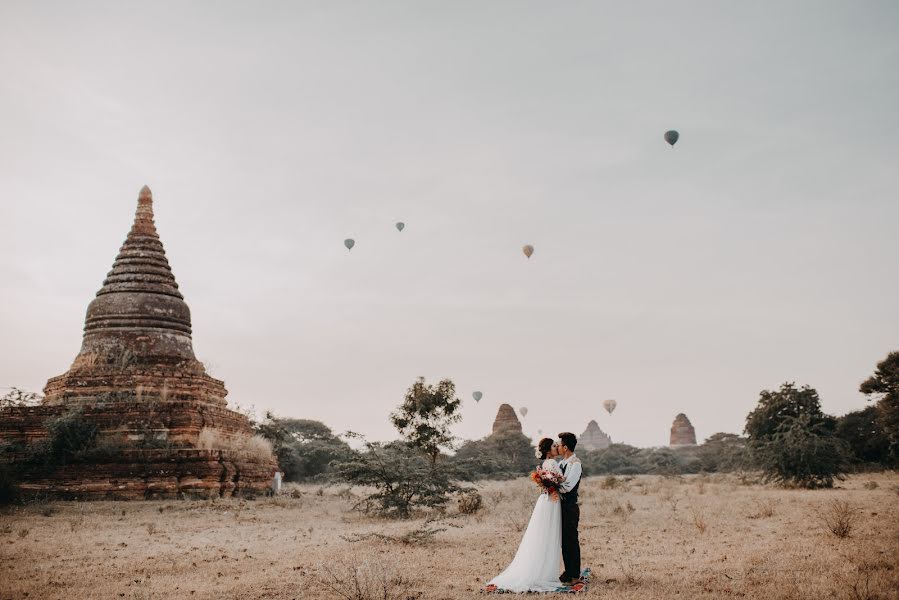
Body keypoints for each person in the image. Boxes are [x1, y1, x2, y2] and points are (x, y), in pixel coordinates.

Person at [486, 438, 563, 592]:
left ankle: (542, 570)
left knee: (543, 535)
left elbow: (549, 480)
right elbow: (559, 480)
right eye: (554, 446)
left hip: (546, 500)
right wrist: (555, 485)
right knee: (549, 535)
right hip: (552, 500)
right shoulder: (552, 463)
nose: (557, 448)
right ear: (548, 450)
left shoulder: (545, 464)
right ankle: (544, 574)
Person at [557, 432, 582, 584]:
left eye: (559, 445)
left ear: (565, 447)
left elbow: (567, 487)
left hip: (570, 507)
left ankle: (574, 575)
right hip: (559, 507)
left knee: (571, 540)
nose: (557, 447)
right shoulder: (561, 464)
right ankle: (568, 570)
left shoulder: (576, 464)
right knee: (564, 541)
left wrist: (552, 484)